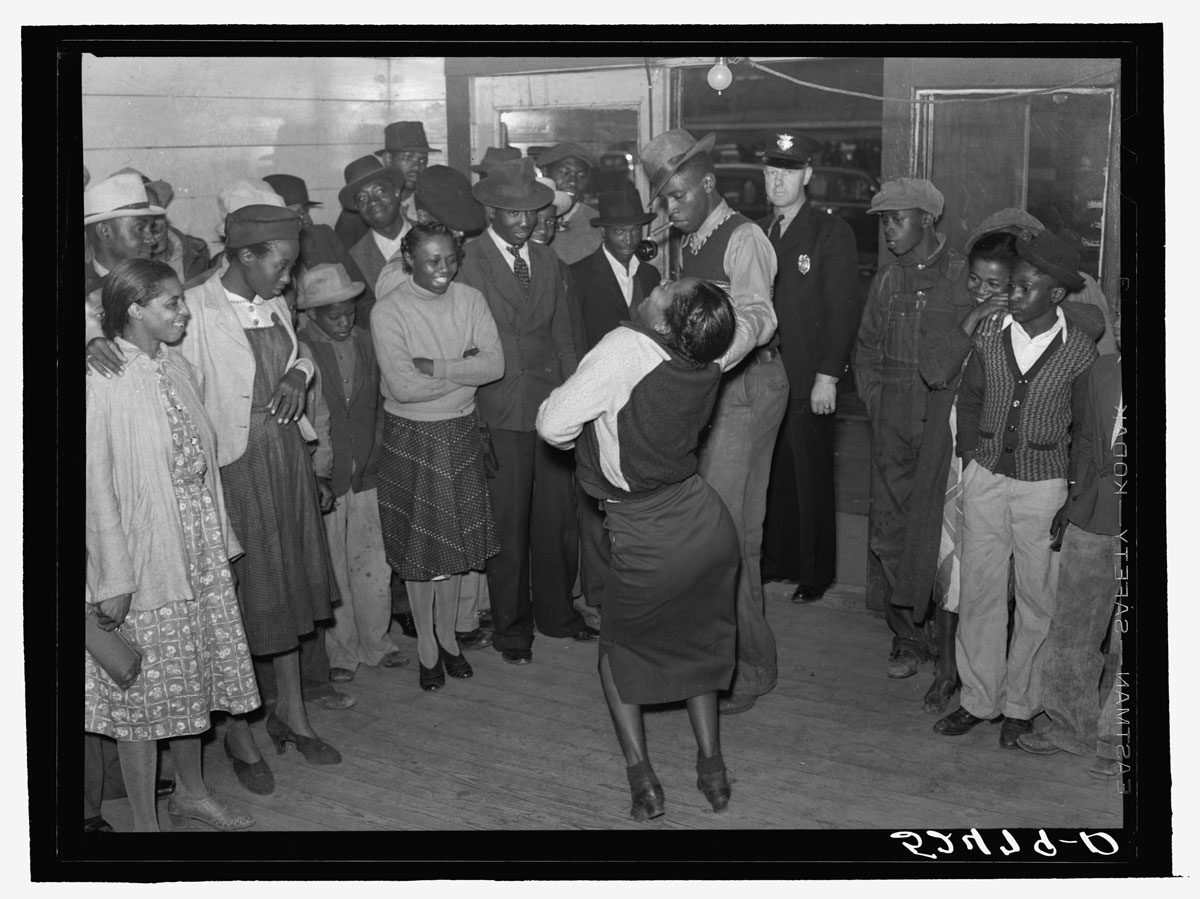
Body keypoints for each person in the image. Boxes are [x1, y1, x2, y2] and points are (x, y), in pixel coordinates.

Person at [537, 277, 740, 821]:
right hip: (705, 521)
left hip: (646, 531)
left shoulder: (625, 348)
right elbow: (754, 322)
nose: (660, 283)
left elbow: (552, 425)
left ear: (663, 322)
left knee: (617, 652)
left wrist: (592, 425)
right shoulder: (713, 346)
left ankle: (643, 779)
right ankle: (713, 770)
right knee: (697, 644)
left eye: (669, 288)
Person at [86, 257, 259, 830]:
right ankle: (145, 823)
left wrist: (222, 547)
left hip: (197, 546)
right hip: (142, 557)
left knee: (192, 678)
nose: (184, 312)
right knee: (143, 695)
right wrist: (113, 581)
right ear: (134, 310)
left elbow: (206, 467)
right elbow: (95, 487)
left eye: (182, 300)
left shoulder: (178, 365)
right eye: (171, 304)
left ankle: (191, 792)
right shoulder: (101, 378)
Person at [178, 204, 345, 789]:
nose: (287, 279)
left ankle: (292, 712)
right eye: (280, 265)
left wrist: (301, 372)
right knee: (243, 598)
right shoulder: (194, 310)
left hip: (284, 460)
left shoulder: (273, 301)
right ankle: (238, 729)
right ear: (244, 255)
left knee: (291, 585)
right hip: (232, 470)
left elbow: (296, 351)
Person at [934, 230, 1098, 748]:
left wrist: (1070, 495)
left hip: (1044, 489)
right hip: (986, 479)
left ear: (1054, 296)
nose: (1010, 295)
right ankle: (979, 699)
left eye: (1024, 287)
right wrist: (972, 462)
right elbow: (969, 397)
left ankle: (1022, 707)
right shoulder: (988, 334)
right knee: (981, 590)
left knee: (1037, 599)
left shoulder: (1079, 351)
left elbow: (1086, 431)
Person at [640, 129, 784, 716]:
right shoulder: (685, 239)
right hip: (711, 389)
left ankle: (749, 668)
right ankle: (728, 659)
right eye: (663, 200)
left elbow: (758, 315)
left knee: (731, 535)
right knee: (716, 533)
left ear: (708, 183)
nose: (669, 209)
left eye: (677, 196)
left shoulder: (743, 237)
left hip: (744, 387)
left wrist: (710, 363)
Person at [456, 157, 597, 665]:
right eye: (515, 214)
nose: (527, 222)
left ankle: (557, 615)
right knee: (507, 525)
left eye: (532, 212)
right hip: (496, 410)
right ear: (491, 210)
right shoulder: (465, 262)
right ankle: (512, 630)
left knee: (557, 519)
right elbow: (460, 348)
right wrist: (472, 419)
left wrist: (574, 404)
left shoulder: (549, 262)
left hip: (550, 411)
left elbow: (565, 340)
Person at [372, 223, 504, 689]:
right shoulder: (388, 311)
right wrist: (466, 371)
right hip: (412, 440)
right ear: (409, 260)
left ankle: (448, 638)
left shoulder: (470, 300)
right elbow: (404, 389)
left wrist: (440, 367)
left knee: (454, 549)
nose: (443, 270)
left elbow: (496, 365)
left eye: (450, 259)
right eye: (432, 261)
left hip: (461, 434)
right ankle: (426, 644)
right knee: (420, 548)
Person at [854, 178, 968, 680]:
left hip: (946, 423)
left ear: (927, 219)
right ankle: (907, 637)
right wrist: (881, 404)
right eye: (882, 221)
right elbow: (867, 352)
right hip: (894, 422)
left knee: (947, 533)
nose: (887, 231)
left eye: (895, 219)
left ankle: (951, 642)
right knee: (889, 532)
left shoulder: (963, 274)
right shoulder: (886, 280)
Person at [754, 132, 862, 603]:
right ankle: (778, 560)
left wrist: (828, 375)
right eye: (772, 171)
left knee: (811, 475)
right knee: (774, 474)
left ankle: (815, 574)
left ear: (808, 176)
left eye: (789, 172)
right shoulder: (759, 232)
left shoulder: (828, 231)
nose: (778, 181)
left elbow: (842, 307)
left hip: (807, 376)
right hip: (766, 375)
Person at [295, 262, 410, 683]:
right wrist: (316, 472)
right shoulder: (299, 349)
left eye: (349, 312)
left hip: (369, 470)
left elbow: (381, 403)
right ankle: (341, 652)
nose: (344, 322)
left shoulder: (368, 341)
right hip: (326, 474)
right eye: (333, 315)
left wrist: (380, 449)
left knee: (373, 560)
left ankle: (377, 642)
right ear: (311, 314)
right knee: (334, 565)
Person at [1016, 353, 1122, 763]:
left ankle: (1117, 736)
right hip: (1092, 513)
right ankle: (1071, 727)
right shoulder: (1103, 370)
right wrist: (1073, 500)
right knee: (1073, 625)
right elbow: (1083, 440)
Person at [566, 189, 660, 617]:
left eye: (634, 228)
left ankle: (634, 591)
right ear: (603, 231)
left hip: (641, 405)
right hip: (598, 402)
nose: (627, 236)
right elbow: (573, 343)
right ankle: (600, 595)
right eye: (618, 229)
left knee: (637, 501)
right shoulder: (579, 275)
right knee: (595, 501)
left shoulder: (653, 278)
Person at [83, 172, 166, 373]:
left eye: (151, 228)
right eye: (139, 229)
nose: (152, 240)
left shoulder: (160, 283)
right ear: (104, 232)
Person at [375, 164, 488, 300]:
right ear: (423, 217)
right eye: (451, 226)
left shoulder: (465, 255)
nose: (461, 234)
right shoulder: (398, 275)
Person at [335, 121, 437, 250]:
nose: (417, 166)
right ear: (388, 159)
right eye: (408, 157)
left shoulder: (431, 205)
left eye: (423, 160)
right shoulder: (354, 216)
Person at [340, 156, 411, 328]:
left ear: (396, 191)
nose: (372, 202)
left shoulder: (434, 237)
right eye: (363, 198)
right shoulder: (353, 260)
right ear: (357, 207)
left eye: (379, 192)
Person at [264, 173, 369, 289]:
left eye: (305, 211)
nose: (306, 220)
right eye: (295, 214)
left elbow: (360, 288)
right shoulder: (266, 256)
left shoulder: (324, 236)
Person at [537, 142, 603, 265]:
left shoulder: (596, 223)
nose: (572, 182)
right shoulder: (527, 217)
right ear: (545, 173)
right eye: (564, 173)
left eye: (581, 175)